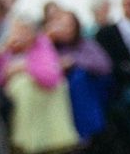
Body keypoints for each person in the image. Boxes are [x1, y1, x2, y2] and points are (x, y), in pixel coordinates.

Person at [0, 15, 80, 154]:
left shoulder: (42, 47)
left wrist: (25, 67)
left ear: (32, 33)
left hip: (39, 106)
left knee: (23, 86)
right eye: (15, 31)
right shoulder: (7, 52)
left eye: (22, 31)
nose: (18, 35)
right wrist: (2, 52)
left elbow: (51, 77)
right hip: (7, 103)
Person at [45, 8, 113, 145]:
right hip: (60, 93)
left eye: (69, 25)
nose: (66, 30)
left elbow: (105, 66)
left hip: (93, 88)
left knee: (78, 77)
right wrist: (46, 41)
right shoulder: (49, 48)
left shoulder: (87, 45)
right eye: (61, 26)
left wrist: (74, 61)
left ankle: (87, 137)